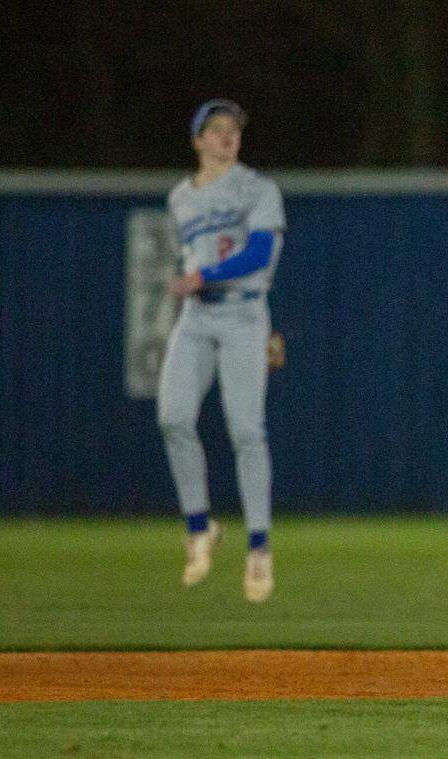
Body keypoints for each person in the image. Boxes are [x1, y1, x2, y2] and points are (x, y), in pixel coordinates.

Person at [158, 99, 286, 603]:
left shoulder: (256, 188)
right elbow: (192, 260)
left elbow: (260, 253)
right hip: (197, 316)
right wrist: (199, 280)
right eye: (215, 129)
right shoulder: (179, 199)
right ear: (197, 140)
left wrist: (206, 279)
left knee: (246, 430)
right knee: (172, 417)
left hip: (244, 313)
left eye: (234, 128)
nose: (227, 136)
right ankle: (199, 526)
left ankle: (258, 547)